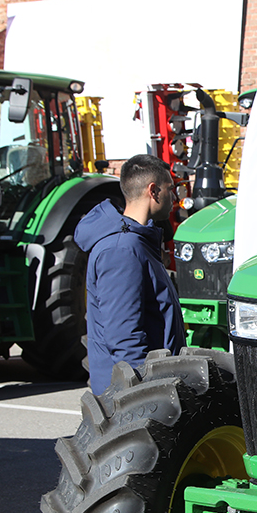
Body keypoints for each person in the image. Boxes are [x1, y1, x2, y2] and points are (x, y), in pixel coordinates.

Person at [76, 154, 185, 394]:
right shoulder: (121, 250)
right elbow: (125, 338)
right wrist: (145, 396)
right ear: (153, 191)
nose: (174, 197)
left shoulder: (137, 242)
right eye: (171, 189)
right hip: (131, 398)